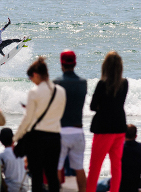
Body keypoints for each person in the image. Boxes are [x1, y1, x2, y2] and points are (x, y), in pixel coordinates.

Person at [13, 57, 66, 192]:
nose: (31, 81)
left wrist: (16, 137)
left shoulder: (34, 92)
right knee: (52, 176)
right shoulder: (61, 91)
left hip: (37, 139)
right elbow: (60, 115)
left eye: (31, 78)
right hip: (55, 138)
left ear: (35, 74)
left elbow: (27, 119)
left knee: (37, 177)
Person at [86, 51, 128, 192]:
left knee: (95, 167)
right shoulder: (125, 83)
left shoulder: (102, 84)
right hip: (120, 128)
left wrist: (102, 106)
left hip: (104, 129)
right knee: (116, 167)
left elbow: (92, 106)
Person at [53, 50, 87, 192]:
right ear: (75, 63)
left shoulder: (57, 82)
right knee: (79, 168)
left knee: (57, 167)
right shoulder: (83, 83)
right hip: (78, 130)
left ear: (61, 64)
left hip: (61, 131)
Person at [0, 128, 29, 192]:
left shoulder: (2, 155)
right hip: (26, 187)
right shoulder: (23, 152)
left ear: (1, 141)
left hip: (11, 188)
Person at [119, 124, 141, 192]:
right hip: (136, 183)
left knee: (100, 184)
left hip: (120, 184)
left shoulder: (118, 149)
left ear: (123, 135)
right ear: (136, 136)